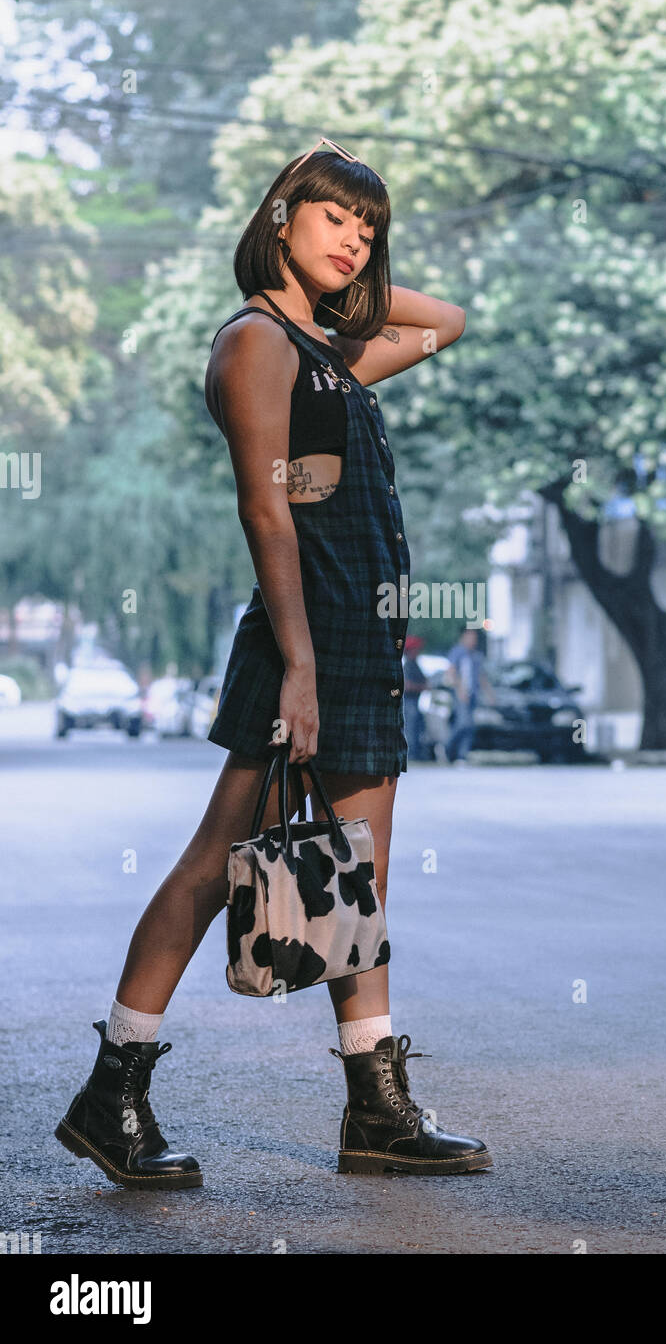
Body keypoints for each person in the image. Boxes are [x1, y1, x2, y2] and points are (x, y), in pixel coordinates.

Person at [55, 142, 491, 1187]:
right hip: (305, 635)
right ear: (280, 215)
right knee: (215, 863)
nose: (357, 238)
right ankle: (111, 1093)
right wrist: (296, 667)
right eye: (336, 216)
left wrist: (346, 285)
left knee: (358, 879)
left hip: (358, 635)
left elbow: (444, 324)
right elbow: (266, 509)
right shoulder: (254, 344)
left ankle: (373, 1109)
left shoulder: (329, 353)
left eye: (370, 227)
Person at [444, 626, 495, 764]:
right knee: (462, 723)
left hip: (473, 695)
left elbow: (481, 676)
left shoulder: (476, 655)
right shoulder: (457, 652)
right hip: (460, 694)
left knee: (470, 726)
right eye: (471, 637)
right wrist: (460, 690)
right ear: (464, 636)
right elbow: (452, 672)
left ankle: (462, 755)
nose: (474, 640)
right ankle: (447, 747)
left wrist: (490, 694)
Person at [402, 635, 428, 761]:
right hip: (409, 702)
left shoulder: (415, 665)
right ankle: (410, 754)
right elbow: (406, 686)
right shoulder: (408, 665)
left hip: (415, 702)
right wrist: (422, 687)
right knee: (410, 729)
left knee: (416, 728)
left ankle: (415, 754)